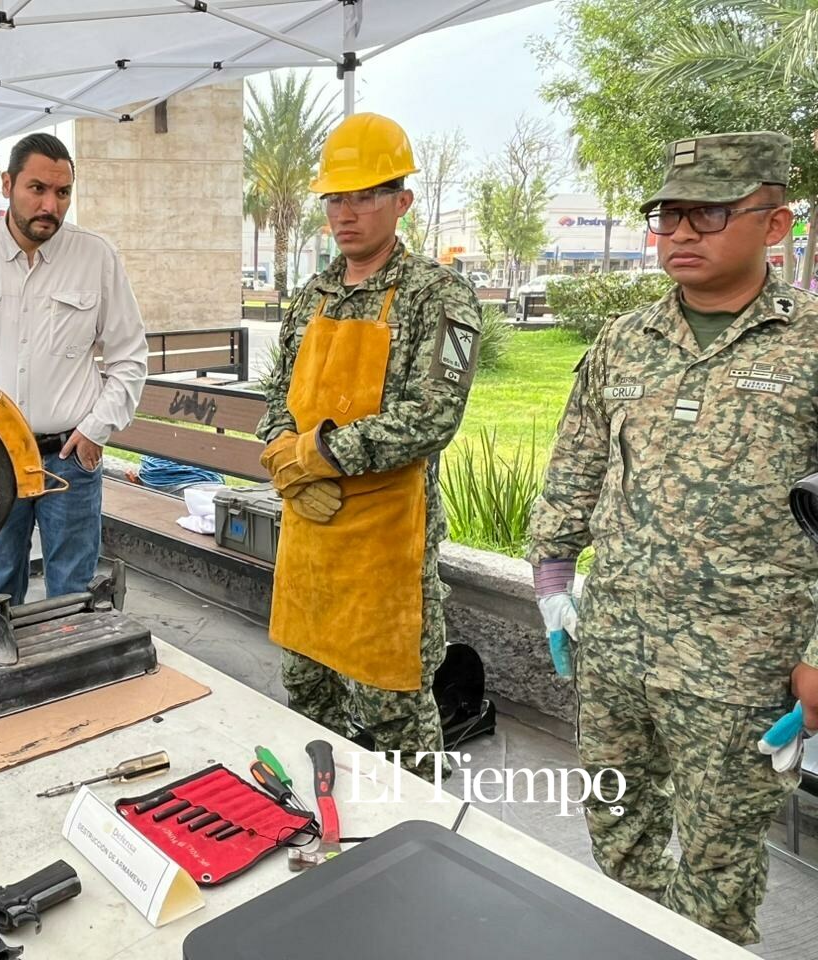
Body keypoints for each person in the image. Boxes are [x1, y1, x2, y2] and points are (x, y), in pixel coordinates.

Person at [528, 131, 814, 945]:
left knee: (719, 870)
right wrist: (552, 583)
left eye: (710, 213)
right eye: (669, 215)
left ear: (775, 222)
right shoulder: (625, 339)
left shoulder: (809, 343)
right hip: (616, 647)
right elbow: (576, 464)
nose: (682, 233)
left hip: (743, 664)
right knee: (617, 831)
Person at [257, 113, 482, 774]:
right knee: (306, 700)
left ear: (402, 201)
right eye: (336, 197)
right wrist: (285, 463)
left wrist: (318, 457)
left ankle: (419, 828)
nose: (345, 213)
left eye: (364, 196)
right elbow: (277, 398)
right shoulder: (312, 297)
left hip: (387, 549)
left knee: (397, 715)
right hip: (308, 536)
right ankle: (319, 815)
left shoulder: (438, 296)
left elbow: (433, 416)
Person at [0, 132, 148, 604]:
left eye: (63, 192)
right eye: (37, 189)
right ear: (7, 184)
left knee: (74, 591)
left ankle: (70, 651)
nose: (50, 205)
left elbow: (129, 356)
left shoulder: (96, 257)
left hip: (69, 456)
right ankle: (7, 651)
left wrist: (96, 429)